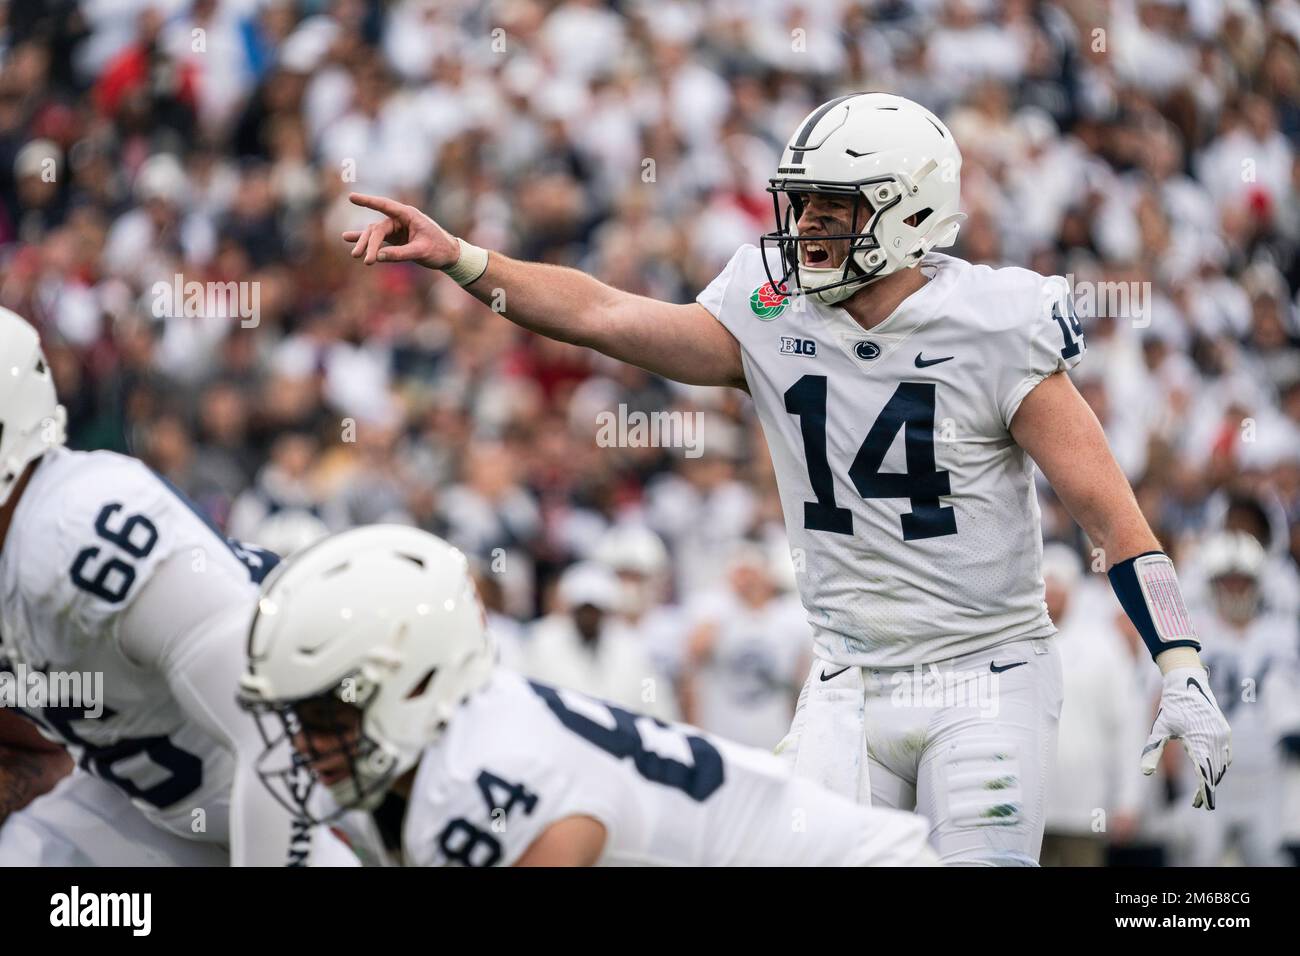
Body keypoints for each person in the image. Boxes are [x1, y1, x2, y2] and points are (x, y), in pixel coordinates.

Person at [340, 91, 1231, 865]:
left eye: (830, 210)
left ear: (909, 213)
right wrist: (464, 258)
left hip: (985, 672)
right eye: (799, 205)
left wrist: (1181, 661)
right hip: (847, 674)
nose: (802, 227)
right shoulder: (768, 312)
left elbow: (1115, 523)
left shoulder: (996, 324)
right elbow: (606, 314)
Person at [237, 524, 936, 867]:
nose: (307, 741)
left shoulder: (486, 772)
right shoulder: (463, 736)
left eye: (329, 712)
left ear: (416, 680)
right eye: (297, 715)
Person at [0, 308, 349, 866]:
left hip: (328, 781)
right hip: (169, 807)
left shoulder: (82, 529)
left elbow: (279, 731)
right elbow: (38, 749)